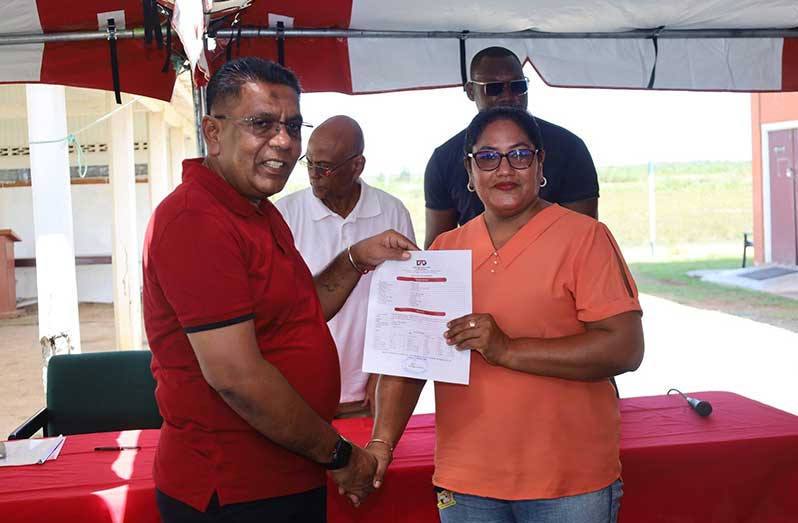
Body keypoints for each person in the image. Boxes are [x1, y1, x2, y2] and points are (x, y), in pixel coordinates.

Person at [142, 57, 417, 523]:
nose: (285, 142)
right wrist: (342, 457)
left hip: (283, 474)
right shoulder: (196, 220)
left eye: (292, 126)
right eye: (262, 124)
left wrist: (355, 259)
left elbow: (300, 313)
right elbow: (237, 378)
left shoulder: (256, 210)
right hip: (234, 488)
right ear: (213, 132)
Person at [367, 107, 644, 523]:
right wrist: (381, 444)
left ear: (540, 163)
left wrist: (508, 350)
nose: (504, 170)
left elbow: (625, 348)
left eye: (519, 155)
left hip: (567, 480)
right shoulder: (445, 250)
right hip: (468, 481)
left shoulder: (585, 238)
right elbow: (412, 360)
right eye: (488, 157)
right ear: (469, 169)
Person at [275, 115, 415, 419]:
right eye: (308, 163)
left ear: (357, 166)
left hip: (368, 396)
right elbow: (278, 313)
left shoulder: (392, 212)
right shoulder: (282, 216)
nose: (314, 175)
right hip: (298, 394)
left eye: (324, 167)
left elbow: (404, 309)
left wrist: (383, 377)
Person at [424, 46, 599, 249]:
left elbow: (584, 239)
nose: (508, 96)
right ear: (471, 91)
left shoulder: (570, 148)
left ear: (540, 160)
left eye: (517, 86)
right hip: (476, 275)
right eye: (494, 88)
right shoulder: (443, 159)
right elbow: (437, 252)